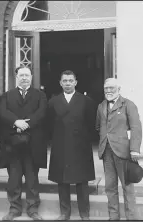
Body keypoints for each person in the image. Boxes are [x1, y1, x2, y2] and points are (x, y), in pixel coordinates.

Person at [0, 66, 48, 221]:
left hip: (33, 144)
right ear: (16, 77)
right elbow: (2, 112)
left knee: (32, 179)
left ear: (31, 77)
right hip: (12, 144)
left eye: (27, 75)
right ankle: (14, 208)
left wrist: (26, 124)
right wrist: (16, 122)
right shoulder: (7, 96)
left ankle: (33, 209)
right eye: (21, 75)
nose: (24, 78)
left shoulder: (40, 95)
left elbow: (42, 112)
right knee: (14, 179)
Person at [47, 70, 96, 221]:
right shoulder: (53, 101)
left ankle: (84, 213)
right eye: (65, 81)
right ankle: (64, 213)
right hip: (61, 145)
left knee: (82, 181)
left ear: (76, 82)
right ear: (60, 83)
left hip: (81, 146)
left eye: (70, 80)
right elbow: (48, 124)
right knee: (62, 181)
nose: (68, 83)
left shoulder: (86, 101)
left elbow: (91, 124)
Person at [95, 78, 142, 220]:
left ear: (119, 89)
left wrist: (134, 149)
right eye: (106, 88)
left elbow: (136, 128)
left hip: (123, 152)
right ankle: (113, 217)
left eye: (112, 88)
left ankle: (131, 218)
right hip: (106, 152)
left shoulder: (128, 105)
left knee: (127, 188)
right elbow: (98, 127)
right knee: (110, 188)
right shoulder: (101, 106)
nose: (108, 91)